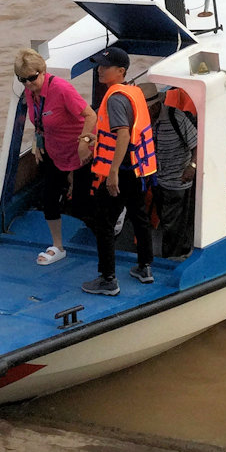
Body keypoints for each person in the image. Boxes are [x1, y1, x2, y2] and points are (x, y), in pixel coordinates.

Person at [81, 48, 157, 299]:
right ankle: (145, 267)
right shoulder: (133, 92)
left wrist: (112, 173)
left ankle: (108, 279)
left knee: (103, 223)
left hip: (120, 170)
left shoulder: (114, 98)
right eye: (100, 65)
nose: (100, 69)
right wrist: (97, 138)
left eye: (105, 66)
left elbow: (123, 133)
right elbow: (120, 134)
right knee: (139, 216)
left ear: (121, 71)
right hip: (137, 167)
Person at [13, 50, 97, 266]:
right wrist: (36, 143)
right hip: (54, 151)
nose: (28, 83)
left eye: (32, 78)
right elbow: (39, 121)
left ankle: (114, 215)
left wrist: (84, 143)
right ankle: (57, 246)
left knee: (81, 204)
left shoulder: (61, 89)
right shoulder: (30, 93)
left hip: (79, 150)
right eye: (22, 80)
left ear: (43, 72)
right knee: (49, 198)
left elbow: (91, 115)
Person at [154, 87, 198, 260]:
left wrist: (192, 166)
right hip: (157, 179)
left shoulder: (176, 117)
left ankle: (171, 258)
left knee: (173, 222)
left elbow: (197, 145)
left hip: (178, 179)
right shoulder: (144, 119)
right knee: (167, 220)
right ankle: (178, 252)